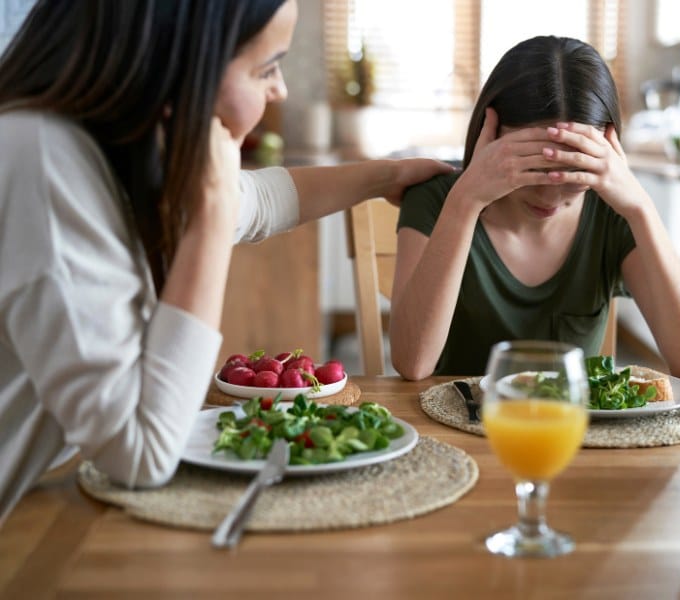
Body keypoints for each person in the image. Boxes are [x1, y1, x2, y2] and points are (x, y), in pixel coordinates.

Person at [0, 0, 452, 523]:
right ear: (184, 62)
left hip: (46, 493)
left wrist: (385, 177)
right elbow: (141, 455)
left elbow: (258, 199)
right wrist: (209, 228)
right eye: (266, 68)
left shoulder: (99, 144)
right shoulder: (45, 165)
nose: (279, 89)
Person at [390, 36, 680, 382]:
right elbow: (413, 363)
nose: (549, 195)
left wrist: (641, 209)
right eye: (531, 168)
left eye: (573, 172)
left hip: (573, 432)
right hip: (455, 428)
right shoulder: (438, 200)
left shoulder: (614, 213)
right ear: (491, 136)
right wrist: (464, 203)